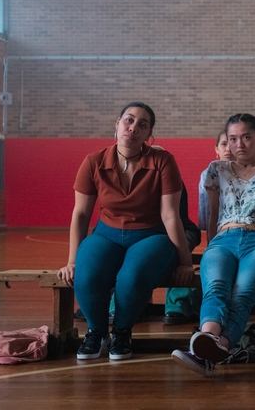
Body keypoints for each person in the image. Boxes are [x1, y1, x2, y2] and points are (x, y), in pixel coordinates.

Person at [57, 102, 193, 361]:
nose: (133, 128)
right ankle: (96, 332)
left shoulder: (163, 161)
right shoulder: (94, 162)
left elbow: (170, 215)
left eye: (142, 124)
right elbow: (81, 214)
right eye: (128, 120)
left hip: (151, 236)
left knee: (131, 277)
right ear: (117, 125)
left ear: (149, 134)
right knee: (86, 273)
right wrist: (72, 260)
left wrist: (185, 262)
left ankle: (121, 332)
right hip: (106, 234)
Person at [171, 113, 255, 376]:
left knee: (242, 294)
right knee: (215, 287)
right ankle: (208, 340)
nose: (239, 144)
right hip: (223, 240)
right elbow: (213, 215)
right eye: (233, 139)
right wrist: (211, 249)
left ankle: (218, 347)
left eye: (246, 137)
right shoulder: (217, 170)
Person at [163, 132, 232, 325]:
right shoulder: (207, 176)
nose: (228, 148)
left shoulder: (252, 173)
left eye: (232, 142)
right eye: (223, 144)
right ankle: (180, 303)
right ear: (216, 150)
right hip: (218, 234)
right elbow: (206, 218)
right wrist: (212, 246)